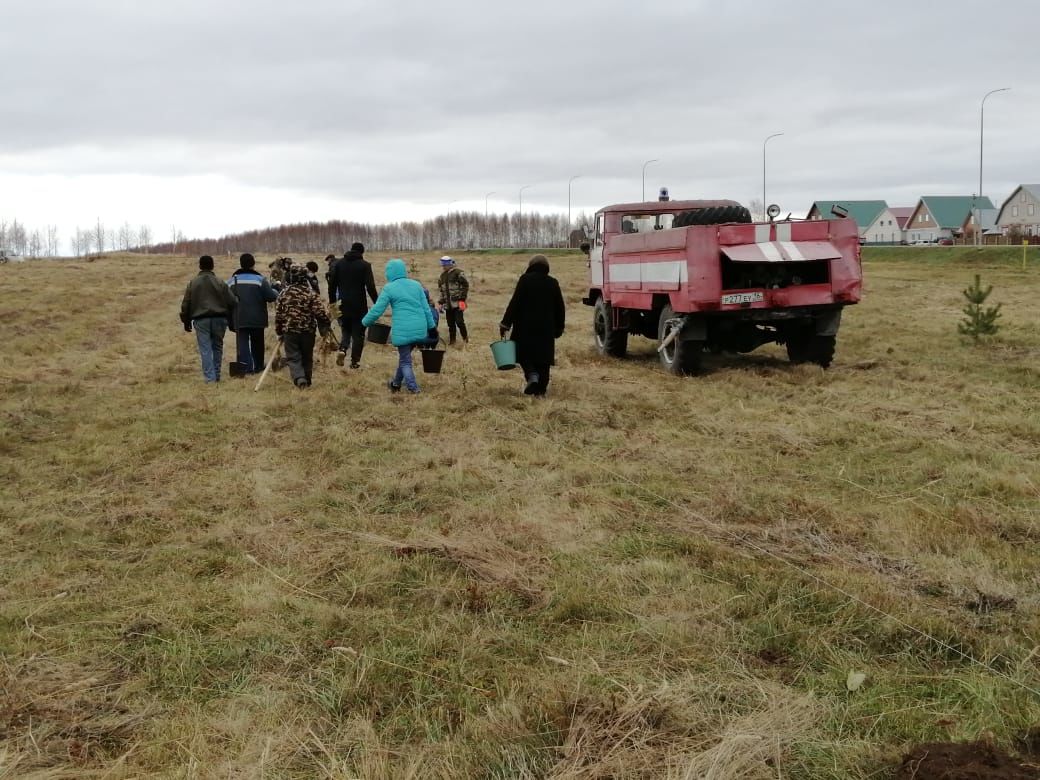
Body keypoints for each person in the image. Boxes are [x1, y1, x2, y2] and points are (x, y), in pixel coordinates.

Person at [361, 258, 436, 394]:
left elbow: (378, 309)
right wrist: (432, 328)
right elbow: (426, 309)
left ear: (389, 273)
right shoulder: (416, 285)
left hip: (403, 330)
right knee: (404, 358)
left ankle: (414, 389)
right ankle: (396, 384)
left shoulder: (389, 288)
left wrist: (365, 323)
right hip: (420, 328)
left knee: (406, 361)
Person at [499, 254, 566, 396]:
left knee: (524, 355)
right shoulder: (552, 282)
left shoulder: (525, 280)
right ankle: (541, 391)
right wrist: (559, 327)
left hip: (524, 328)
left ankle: (532, 375)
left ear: (531, 266)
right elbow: (560, 307)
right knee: (544, 360)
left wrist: (505, 324)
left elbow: (515, 302)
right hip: (546, 329)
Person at [180, 255, 238, 383]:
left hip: (201, 320)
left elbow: (186, 304)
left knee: (205, 349)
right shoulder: (220, 282)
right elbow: (233, 301)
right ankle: (216, 375)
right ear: (212, 266)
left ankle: (209, 378)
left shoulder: (193, 283)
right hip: (220, 319)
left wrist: (186, 321)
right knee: (217, 347)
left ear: (200, 266)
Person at [274, 264, 333, 388]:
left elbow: (279, 314)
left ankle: (299, 378)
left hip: (290, 331)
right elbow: (320, 312)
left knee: (293, 357)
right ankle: (307, 380)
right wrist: (327, 322)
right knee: (307, 357)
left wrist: (279, 331)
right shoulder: (310, 293)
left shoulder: (283, 293)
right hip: (308, 331)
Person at [227, 253, 279, 375]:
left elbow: (227, 301)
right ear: (253, 264)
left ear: (240, 264)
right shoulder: (260, 280)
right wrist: (276, 290)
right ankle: (259, 366)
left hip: (239, 318)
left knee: (242, 344)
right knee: (258, 343)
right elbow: (271, 297)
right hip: (258, 319)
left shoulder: (231, 282)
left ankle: (247, 368)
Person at [329, 242, 378, 368]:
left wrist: (333, 303)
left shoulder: (338, 264)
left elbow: (331, 286)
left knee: (346, 329)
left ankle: (343, 349)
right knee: (359, 334)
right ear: (362, 252)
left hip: (342, 304)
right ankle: (354, 362)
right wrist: (377, 303)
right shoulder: (365, 265)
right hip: (359, 305)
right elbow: (370, 287)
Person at [436, 255, 469, 345]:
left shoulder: (458, 273)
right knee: (450, 324)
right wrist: (440, 303)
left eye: (445, 265)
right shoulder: (442, 276)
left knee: (459, 322)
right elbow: (442, 291)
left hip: (457, 303)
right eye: (443, 265)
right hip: (448, 305)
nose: (443, 267)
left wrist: (462, 300)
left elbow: (465, 286)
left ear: (450, 264)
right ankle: (452, 342)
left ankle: (465, 340)